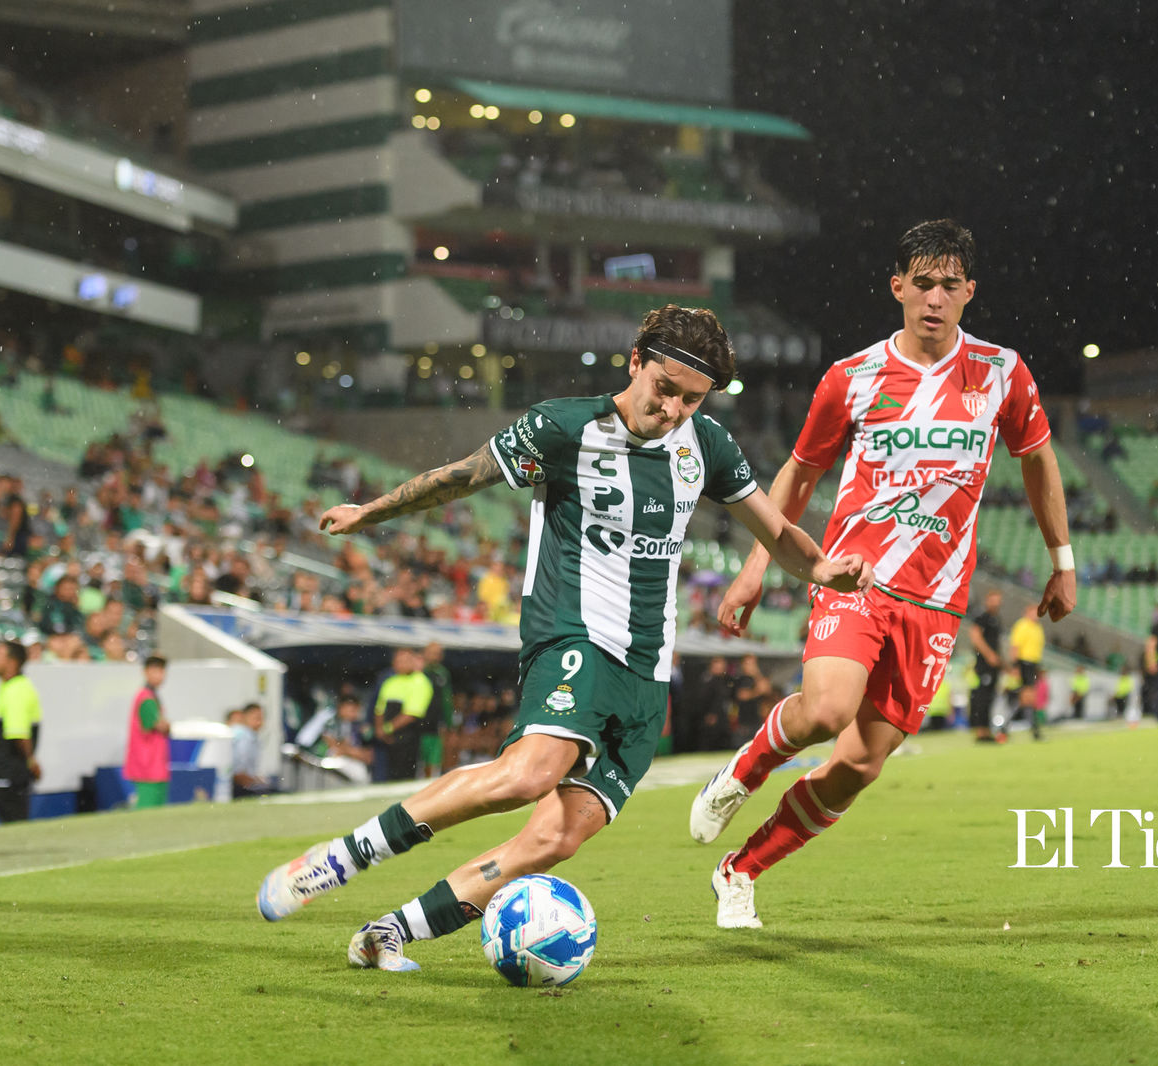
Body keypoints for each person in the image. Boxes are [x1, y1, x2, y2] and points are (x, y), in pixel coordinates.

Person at [254, 304, 872, 970]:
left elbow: (775, 532)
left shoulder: (707, 445)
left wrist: (820, 567)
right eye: (665, 389)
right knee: (529, 774)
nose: (672, 410)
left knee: (560, 833)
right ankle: (338, 861)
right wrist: (370, 512)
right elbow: (461, 476)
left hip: (645, 669)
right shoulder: (564, 426)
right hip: (573, 631)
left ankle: (390, 934)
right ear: (635, 362)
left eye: (691, 400)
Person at [695, 219, 1076, 928]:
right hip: (853, 581)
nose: (935, 297)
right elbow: (798, 476)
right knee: (830, 709)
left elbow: (1038, 460)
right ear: (897, 286)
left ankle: (739, 871)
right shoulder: (853, 377)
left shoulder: (1001, 372)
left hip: (936, 603)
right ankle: (742, 772)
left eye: (950, 285)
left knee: (858, 766)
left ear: (970, 292)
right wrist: (756, 568)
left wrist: (1062, 561)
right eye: (922, 283)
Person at [0, 641, 42, 823]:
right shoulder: (10, 687)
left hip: (9, 775)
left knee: (14, 822)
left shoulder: (16, 690)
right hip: (4, 774)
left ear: (12, 662)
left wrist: (30, 763)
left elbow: (19, 734)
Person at [371, 646, 433, 782]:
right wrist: (380, 731)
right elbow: (379, 709)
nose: (401, 664)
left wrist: (386, 730)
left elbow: (411, 714)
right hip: (386, 740)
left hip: (408, 739)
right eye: (398, 661)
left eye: (405, 660)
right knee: (384, 779)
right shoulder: (389, 682)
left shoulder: (420, 681)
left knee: (405, 778)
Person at [295, 693, 374, 785]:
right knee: (359, 771)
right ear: (342, 707)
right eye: (352, 710)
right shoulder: (329, 716)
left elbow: (344, 744)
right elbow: (334, 747)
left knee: (358, 768)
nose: (355, 714)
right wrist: (359, 754)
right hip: (310, 753)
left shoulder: (345, 722)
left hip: (323, 756)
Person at [123, 655, 171, 809]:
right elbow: (160, 726)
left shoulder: (149, 695)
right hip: (148, 765)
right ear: (145, 672)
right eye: (155, 671)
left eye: (161, 671)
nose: (159, 675)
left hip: (151, 764)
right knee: (147, 810)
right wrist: (168, 726)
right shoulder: (146, 698)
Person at [966, 589, 1004, 742]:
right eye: (993, 599)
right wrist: (989, 655)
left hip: (993, 665)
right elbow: (975, 636)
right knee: (981, 697)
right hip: (984, 665)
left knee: (989, 698)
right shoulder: (982, 617)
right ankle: (980, 732)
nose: (996, 603)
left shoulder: (996, 619)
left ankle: (986, 731)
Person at [1008, 604, 1046, 739]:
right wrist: (1015, 666)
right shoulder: (1022, 625)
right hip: (1024, 663)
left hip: (1033, 664)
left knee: (1028, 698)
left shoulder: (1037, 627)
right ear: (1027, 612)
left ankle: (1007, 727)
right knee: (1028, 697)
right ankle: (1033, 729)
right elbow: (1015, 646)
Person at [420, 642, 456, 777]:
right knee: (419, 758)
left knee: (434, 758)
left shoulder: (442, 673)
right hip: (418, 722)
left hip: (435, 723)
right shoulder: (419, 672)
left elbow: (447, 700)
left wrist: (449, 723)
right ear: (424, 653)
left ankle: (430, 783)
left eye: (438, 653)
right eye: (432, 652)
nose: (436, 656)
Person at [230, 703, 279, 798]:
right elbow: (238, 773)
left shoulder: (249, 736)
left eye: (261, 718)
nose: (260, 722)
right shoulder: (243, 737)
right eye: (256, 718)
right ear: (244, 717)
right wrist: (256, 783)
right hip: (237, 787)